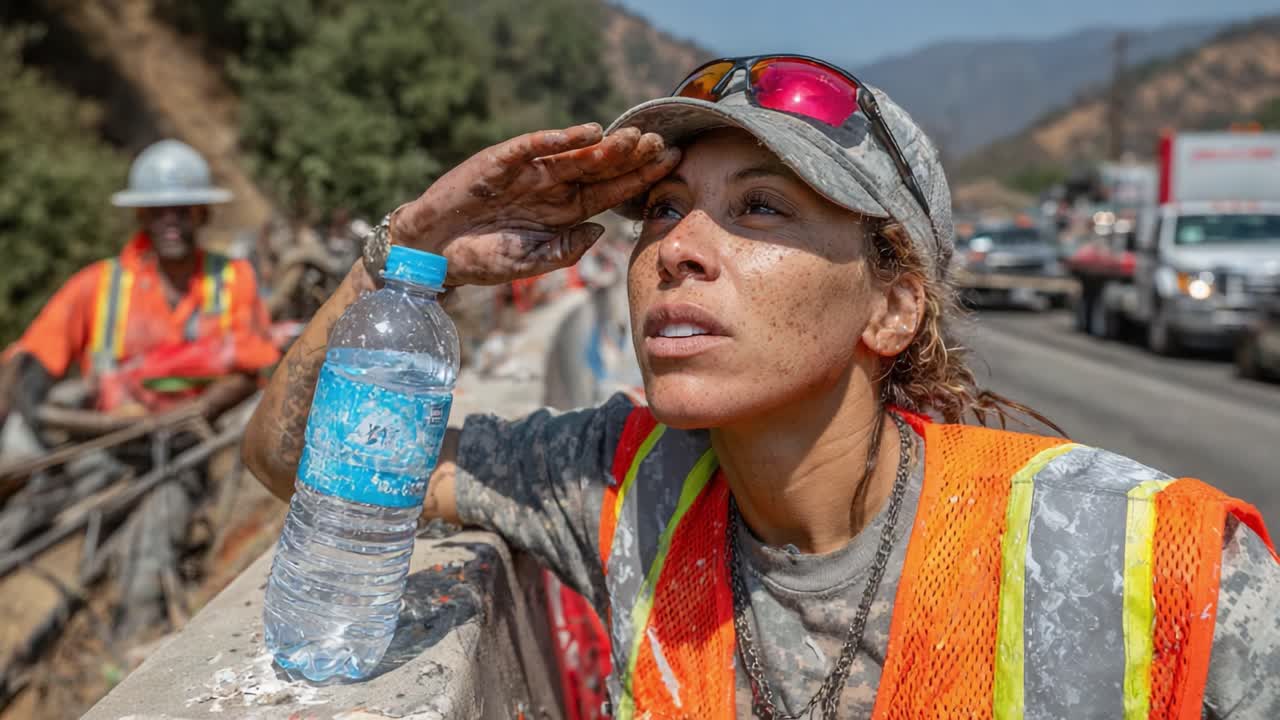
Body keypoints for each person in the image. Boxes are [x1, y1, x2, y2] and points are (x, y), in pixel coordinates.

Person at [243, 55, 1279, 718]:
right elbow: (299, 462)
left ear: (890, 307)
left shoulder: (1153, 564)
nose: (678, 249)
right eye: (660, 209)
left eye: (762, 209)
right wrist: (412, 251)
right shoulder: (618, 483)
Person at [0, 139, 280, 435]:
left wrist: (201, 409)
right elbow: (35, 353)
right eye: (158, 211)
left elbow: (253, 367)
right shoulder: (98, 285)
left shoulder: (234, 278)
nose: (170, 222)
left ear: (203, 213)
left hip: (214, 435)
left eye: (183, 210)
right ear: (141, 215)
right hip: (112, 441)